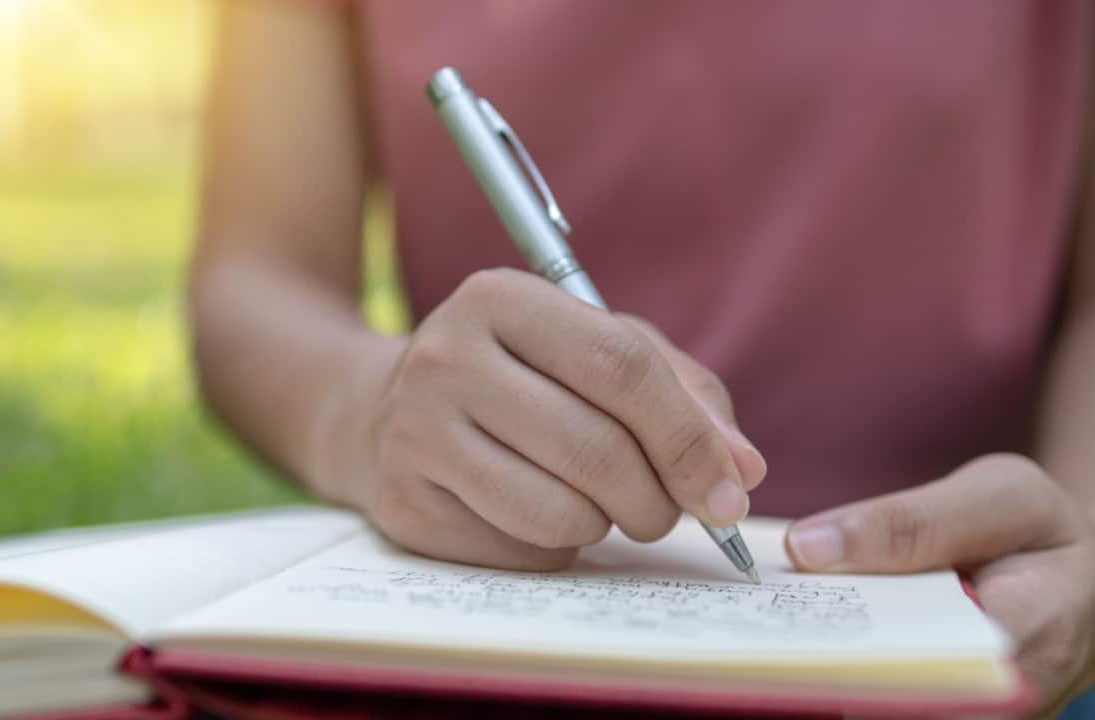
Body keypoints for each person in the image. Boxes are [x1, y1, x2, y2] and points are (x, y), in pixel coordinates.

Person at [189, 1, 1095, 715]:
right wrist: (368, 408)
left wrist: (1084, 538)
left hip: (990, 601)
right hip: (499, 625)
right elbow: (256, 279)